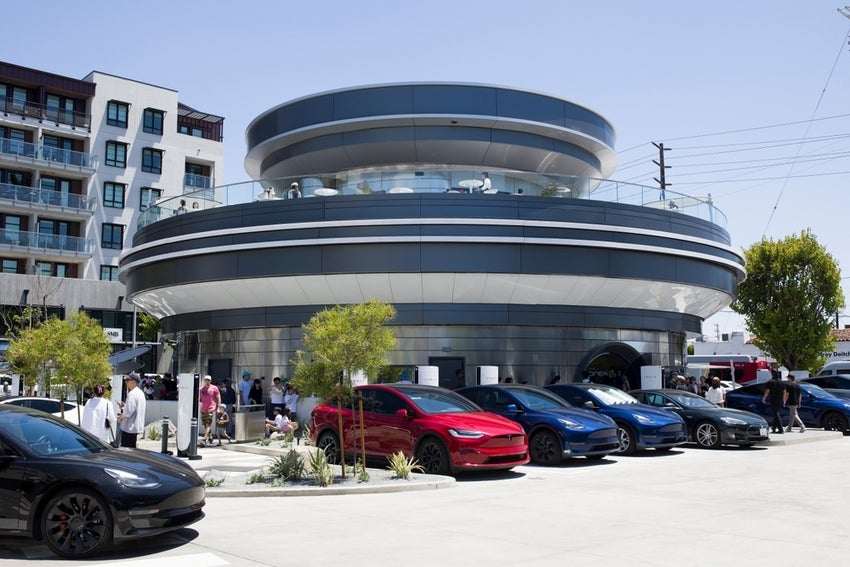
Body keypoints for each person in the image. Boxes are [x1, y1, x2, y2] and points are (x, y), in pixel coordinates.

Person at [117, 373, 146, 448]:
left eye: (128, 380)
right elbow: (134, 409)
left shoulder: (132, 394)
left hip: (129, 428)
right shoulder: (140, 393)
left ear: (134, 382)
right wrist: (124, 407)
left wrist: (120, 418)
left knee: (126, 451)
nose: (126, 382)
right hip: (135, 427)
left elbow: (128, 413)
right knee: (132, 449)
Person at [199, 375, 221, 446]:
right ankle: (210, 437)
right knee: (205, 424)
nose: (207, 381)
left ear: (210, 381)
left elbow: (218, 397)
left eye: (208, 380)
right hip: (203, 408)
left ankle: (205, 438)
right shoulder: (201, 389)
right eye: (206, 380)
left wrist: (218, 407)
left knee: (208, 423)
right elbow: (199, 398)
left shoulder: (214, 388)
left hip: (211, 408)